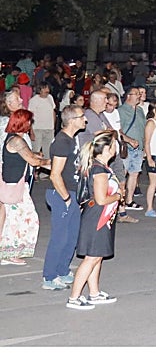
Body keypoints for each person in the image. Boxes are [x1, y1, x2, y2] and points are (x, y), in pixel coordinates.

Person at [67, 131, 122, 310]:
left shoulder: (101, 167)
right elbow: (100, 199)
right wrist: (118, 196)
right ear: (107, 148)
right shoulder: (99, 171)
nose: (116, 147)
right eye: (114, 144)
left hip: (102, 217)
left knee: (97, 257)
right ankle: (74, 297)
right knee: (91, 258)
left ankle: (94, 293)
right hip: (97, 217)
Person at [43, 105, 86, 290]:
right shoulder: (62, 141)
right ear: (72, 120)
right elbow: (55, 174)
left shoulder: (72, 139)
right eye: (82, 116)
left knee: (72, 236)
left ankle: (62, 270)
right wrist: (67, 199)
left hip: (73, 193)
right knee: (60, 237)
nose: (85, 119)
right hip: (62, 194)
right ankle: (49, 277)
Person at [1, 109, 50, 266]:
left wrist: (38, 156)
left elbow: (27, 155)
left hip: (16, 183)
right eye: (29, 121)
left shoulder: (15, 139)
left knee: (16, 219)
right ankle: (9, 253)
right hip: (13, 185)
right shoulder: (16, 140)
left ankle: (9, 252)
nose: (30, 124)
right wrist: (51, 163)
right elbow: (33, 161)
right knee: (19, 220)